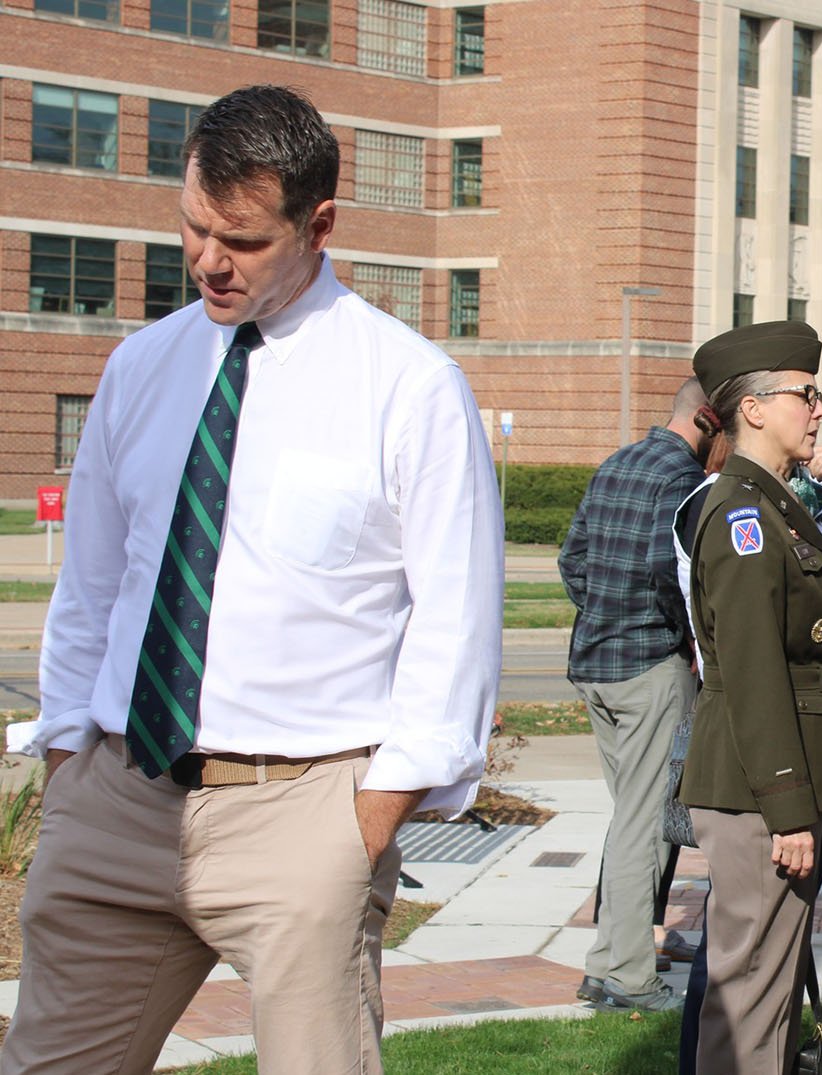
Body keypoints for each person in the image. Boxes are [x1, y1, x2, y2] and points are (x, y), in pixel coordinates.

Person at [3, 84, 503, 1074]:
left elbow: (456, 627)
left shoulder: (408, 389)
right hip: (117, 800)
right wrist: (69, 765)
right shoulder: (141, 366)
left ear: (318, 224)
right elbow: (93, 588)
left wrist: (362, 824)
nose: (206, 261)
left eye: (240, 240)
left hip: (300, 814)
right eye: (192, 226)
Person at [670, 437, 822, 1074]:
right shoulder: (741, 513)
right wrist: (789, 807)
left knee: (771, 980)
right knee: (746, 981)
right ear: (755, 407)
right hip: (762, 773)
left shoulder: (788, 503)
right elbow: (754, 669)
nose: (818, 409)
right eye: (804, 393)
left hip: (800, 756)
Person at [559, 377, 716, 1014]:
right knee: (646, 826)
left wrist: (603, 614)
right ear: (708, 418)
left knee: (631, 819)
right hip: (649, 667)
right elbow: (668, 570)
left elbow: (572, 560)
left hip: (597, 665)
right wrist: (681, 639)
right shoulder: (681, 479)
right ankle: (627, 976)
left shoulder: (617, 462)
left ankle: (607, 963)